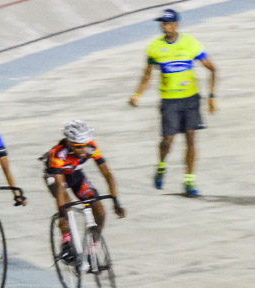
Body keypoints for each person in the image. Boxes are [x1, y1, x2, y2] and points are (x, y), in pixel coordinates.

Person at [128, 8, 217, 197]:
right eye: (162, 23)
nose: (164, 26)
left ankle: (189, 181)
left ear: (176, 25)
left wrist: (211, 97)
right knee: (167, 141)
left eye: (167, 23)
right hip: (169, 101)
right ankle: (161, 166)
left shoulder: (190, 44)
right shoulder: (154, 48)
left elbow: (212, 69)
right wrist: (137, 94)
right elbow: (147, 75)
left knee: (191, 139)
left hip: (190, 99)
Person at [42, 120, 125, 262]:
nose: (83, 150)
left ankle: (91, 248)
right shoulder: (58, 154)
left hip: (74, 173)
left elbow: (107, 174)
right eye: (79, 147)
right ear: (69, 143)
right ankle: (66, 243)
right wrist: (63, 212)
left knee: (99, 210)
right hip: (56, 175)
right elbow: (60, 186)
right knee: (65, 207)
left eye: (85, 145)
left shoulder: (90, 146)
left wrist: (115, 201)